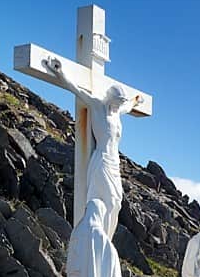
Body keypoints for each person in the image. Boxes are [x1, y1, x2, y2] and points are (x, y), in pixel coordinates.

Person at [45, 58, 141, 236]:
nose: (118, 105)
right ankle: (97, 237)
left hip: (114, 163)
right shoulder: (97, 105)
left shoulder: (117, 111)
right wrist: (60, 72)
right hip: (102, 159)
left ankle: (105, 242)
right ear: (110, 98)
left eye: (120, 103)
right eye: (117, 102)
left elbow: (127, 107)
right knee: (109, 201)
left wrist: (135, 101)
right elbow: (76, 89)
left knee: (117, 202)